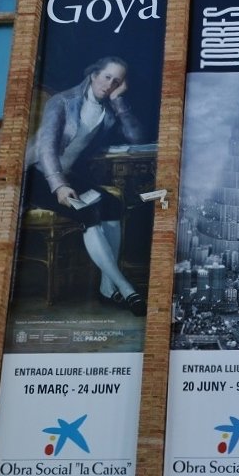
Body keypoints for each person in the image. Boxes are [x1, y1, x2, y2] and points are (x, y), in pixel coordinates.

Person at [24, 56, 146, 315]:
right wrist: (58, 186)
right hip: (36, 174)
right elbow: (46, 149)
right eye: (106, 77)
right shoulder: (62, 102)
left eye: (117, 81)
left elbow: (136, 136)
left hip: (68, 174)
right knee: (88, 213)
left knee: (112, 205)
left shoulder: (109, 108)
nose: (110, 84)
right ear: (93, 75)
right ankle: (126, 288)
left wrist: (119, 102)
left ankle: (105, 288)